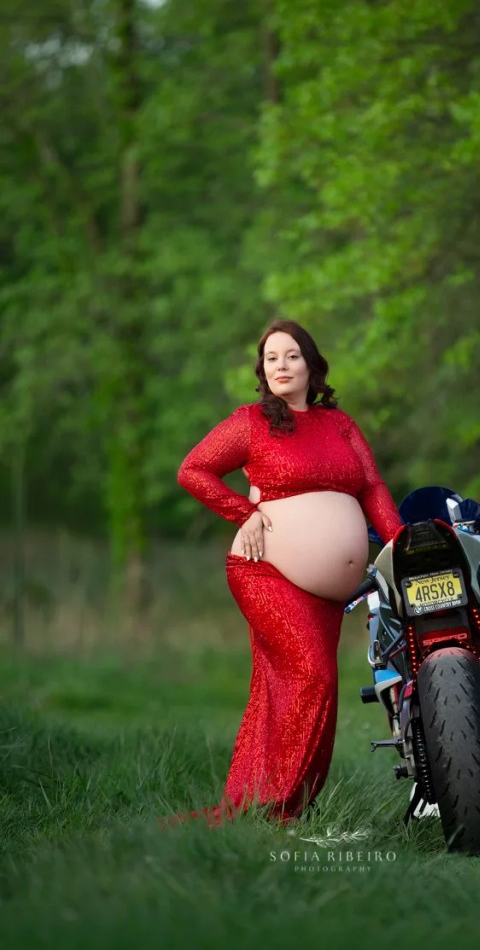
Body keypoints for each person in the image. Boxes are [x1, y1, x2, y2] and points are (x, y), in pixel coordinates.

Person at [172, 319, 402, 827]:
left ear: (312, 366)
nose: (280, 365)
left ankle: (283, 806)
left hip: (327, 593)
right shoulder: (251, 421)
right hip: (266, 573)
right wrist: (244, 513)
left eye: (291, 355)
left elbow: (371, 487)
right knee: (312, 676)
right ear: (263, 370)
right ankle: (275, 807)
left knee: (299, 688)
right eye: (271, 357)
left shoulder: (339, 425)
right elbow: (193, 469)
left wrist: (402, 545)